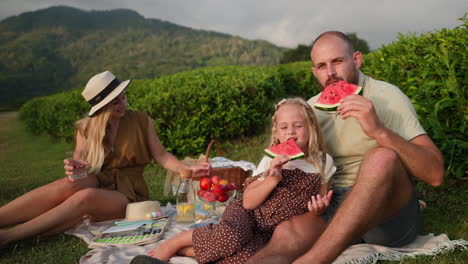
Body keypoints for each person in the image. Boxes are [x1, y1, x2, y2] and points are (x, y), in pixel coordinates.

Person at [245, 31, 445, 264]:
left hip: (385, 214)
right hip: (329, 204)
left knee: (381, 157)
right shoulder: (308, 112)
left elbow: (435, 174)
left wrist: (379, 131)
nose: (330, 73)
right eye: (321, 66)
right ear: (314, 71)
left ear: (357, 60)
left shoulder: (387, 97)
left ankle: (315, 260)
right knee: (285, 240)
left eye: (337, 61)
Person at [0, 71, 210, 246]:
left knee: (86, 197)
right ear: (101, 106)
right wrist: (75, 167)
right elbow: (80, 165)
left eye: (123, 97)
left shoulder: (141, 120)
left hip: (129, 191)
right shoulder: (86, 128)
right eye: (115, 101)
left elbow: (162, 156)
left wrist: (188, 170)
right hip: (99, 178)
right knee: (67, 184)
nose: (122, 104)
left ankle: (8, 237)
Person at [138, 97, 336, 264]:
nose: (291, 132)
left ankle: (186, 252)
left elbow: (320, 200)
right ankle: (178, 241)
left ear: (310, 128)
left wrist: (318, 208)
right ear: (276, 133)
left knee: (246, 258)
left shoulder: (323, 162)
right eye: (284, 127)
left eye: (298, 126)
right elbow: (249, 202)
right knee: (230, 238)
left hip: (271, 230)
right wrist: (272, 178)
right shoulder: (270, 160)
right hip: (247, 214)